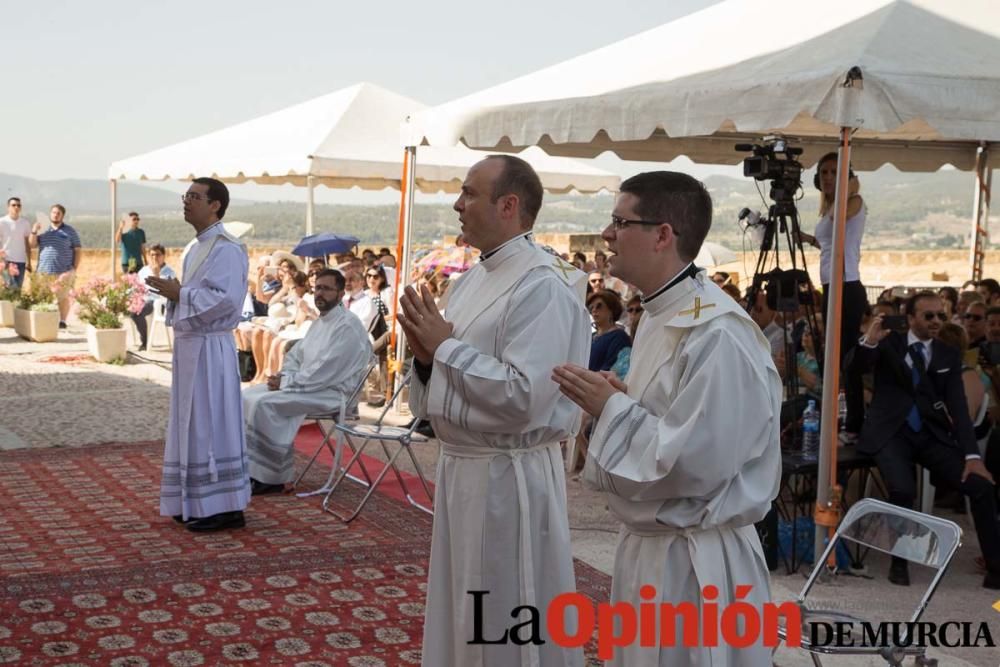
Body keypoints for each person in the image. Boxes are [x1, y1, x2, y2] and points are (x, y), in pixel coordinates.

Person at [552, 171, 781, 666]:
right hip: (653, 552)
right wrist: (622, 398)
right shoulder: (660, 314)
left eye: (619, 221)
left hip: (695, 568)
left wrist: (611, 409)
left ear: (662, 235)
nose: (607, 235)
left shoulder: (717, 334)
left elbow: (696, 464)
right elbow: (669, 415)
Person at [398, 154, 589, 667]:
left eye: (469, 194)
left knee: (503, 609)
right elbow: (446, 377)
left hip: (509, 477)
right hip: (466, 468)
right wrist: (423, 361)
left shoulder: (543, 285)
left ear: (509, 205)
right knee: (465, 610)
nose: (457, 205)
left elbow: (526, 397)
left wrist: (444, 350)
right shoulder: (473, 279)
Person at [851, 292, 1000, 588]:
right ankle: (899, 562)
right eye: (928, 316)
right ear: (910, 319)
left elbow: (957, 404)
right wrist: (869, 340)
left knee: (981, 487)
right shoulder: (887, 342)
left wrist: (972, 458)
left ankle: (996, 568)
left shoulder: (947, 353)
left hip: (931, 435)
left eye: (940, 316)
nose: (936, 322)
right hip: (891, 432)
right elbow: (854, 367)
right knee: (902, 489)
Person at [147, 177, 250, 532]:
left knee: (210, 423)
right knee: (191, 423)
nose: (186, 202)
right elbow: (196, 293)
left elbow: (226, 300)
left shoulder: (227, 247)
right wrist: (177, 293)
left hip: (211, 347)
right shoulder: (197, 246)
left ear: (216, 205)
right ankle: (193, 499)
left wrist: (180, 294)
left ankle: (224, 507)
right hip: (193, 346)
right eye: (185, 196)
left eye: (194, 196)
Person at [243, 269, 371, 494]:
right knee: (247, 396)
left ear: (340, 293)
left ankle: (271, 478)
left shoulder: (347, 326)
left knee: (265, 404)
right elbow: (296, 356)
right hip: (310, 387)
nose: (320, 293)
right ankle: (252, 470)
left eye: (326, 289)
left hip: (334, 393)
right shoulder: (320, 322)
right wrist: (284, 377)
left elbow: (325, 371)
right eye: (317, 288)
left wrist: (287, 382)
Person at [797, 152, 868, 443]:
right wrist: (808, 238)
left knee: (846, 356)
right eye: (823, 172)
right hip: (831, 285)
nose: (827, 177)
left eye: (833, 172)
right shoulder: (830, 206)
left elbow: (841, 219)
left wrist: (848, 183)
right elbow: (830, 243)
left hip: (847, 286)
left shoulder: (852, 202)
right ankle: (840, 416)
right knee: (835, 355)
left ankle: (854, 425)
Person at [29, 204, 81, 329]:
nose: (55, 215)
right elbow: (32, 244)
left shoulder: (70, 231)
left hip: (64, 271)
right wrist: (34, 230)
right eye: (53, 212)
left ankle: (62, 321)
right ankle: (42, 319)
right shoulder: (43, 229)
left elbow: (78, 249)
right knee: (41, 296)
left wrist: (74, 267)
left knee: (63, 297)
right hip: (44, 270)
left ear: (62, 215)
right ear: (50, 214)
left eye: (58, 213)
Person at [132, 244, 176, 350]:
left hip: (159, 302)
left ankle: (145, 342)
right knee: (131, 311)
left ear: (163, 256)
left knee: (137, 313)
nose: (154, 258)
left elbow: (165, 293)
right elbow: (136, 286)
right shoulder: (144, 270)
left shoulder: (169, 272)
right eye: (152, 255)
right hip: (143, 299)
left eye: (157, 255)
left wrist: (157, 276)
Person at [587, 290, 630, 372]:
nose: (594, 310)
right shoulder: (590, 336)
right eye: (591, 307)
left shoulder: (619, 337)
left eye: (599, 306)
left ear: (611, 309)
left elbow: (615, 369)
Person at [0, 197, 31, 288]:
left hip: (21, 261)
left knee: (17, 289)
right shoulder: (2, 222)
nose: (16, 207)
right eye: (13, 205)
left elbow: (27, 243)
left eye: (18, 205)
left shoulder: (25, 223)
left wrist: (28, 261)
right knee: (11, 287)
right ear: (8, 207)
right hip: (6, 260)